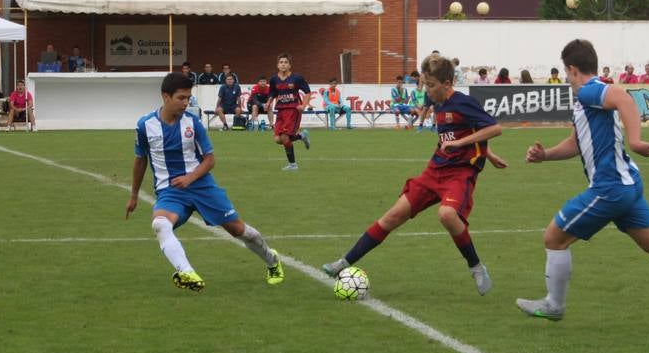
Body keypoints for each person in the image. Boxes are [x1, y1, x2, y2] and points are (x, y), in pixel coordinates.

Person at [516, 39, 649, 324]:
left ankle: (554, 304)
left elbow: (623, 98)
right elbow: (575, 143)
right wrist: (545, 156)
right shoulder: (587, 100)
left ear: (572, 69)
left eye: (566, 73)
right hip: (627, 183)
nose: (567, 79)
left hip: (610, 187)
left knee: (554, 237)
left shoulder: (589, 89)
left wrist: (635, 141)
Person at [322, 54, 507, 295]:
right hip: (434, 171)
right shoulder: (438, 103)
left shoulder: (462, 102)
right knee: (392, 216)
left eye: (431, 85)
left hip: (458, 175)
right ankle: (343, 263)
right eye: (424, 85)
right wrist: (487, 153)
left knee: (447, 214)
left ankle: (476, 267)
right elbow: (464, 131)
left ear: (447, 84)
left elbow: (494, 128)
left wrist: (465, 145)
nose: (427, 91)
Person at [127, 71, 285, 291]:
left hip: (202, 186)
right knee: (160, 224)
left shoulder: (193, 123)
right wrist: (134, 196)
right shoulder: (145, 125)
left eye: (188, 98)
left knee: (240, 231)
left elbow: (210, 160)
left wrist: (190, 177)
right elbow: (140, 159)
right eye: (181, 98)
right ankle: (187, 273)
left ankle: (272, 260)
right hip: (170, 191)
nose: (186, 103)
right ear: (166, 96)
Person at [267, 54, 312, 170]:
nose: (283, 64)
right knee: (278, 139)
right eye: (281, 62)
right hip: (281, 111)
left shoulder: (296, 78)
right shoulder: (273, 79)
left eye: (285, 62)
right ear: (277, 65)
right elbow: (272, 93)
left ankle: (293, 164)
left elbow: (307, 92)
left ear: (290, 65)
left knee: (285, 137)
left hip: (293, 110)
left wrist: (303, 105)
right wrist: (268, 102)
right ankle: (302, 136)